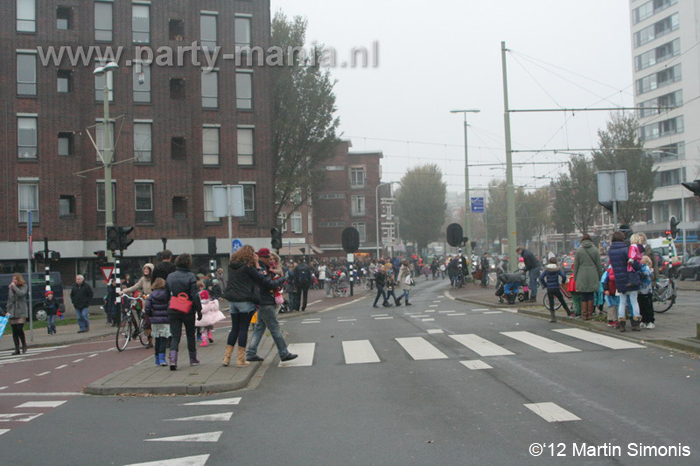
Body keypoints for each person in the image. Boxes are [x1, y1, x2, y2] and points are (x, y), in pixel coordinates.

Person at [246, 248, 298, 363]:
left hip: (263, 301)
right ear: (260, 257)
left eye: (269, 257)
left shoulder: (262, 267)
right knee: (275, 329)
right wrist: (282, 279)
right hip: (265, 301)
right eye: (266, 257)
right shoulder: (259, 268)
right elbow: (268, 283)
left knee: (259, 328)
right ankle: (284, 353)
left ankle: (251, 352)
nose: (268, 259)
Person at [223, 245, 263, 366]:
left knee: (234, 328)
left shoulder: (232, 266)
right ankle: (240, 359)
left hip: (232, 300)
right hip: (244, 300)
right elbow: (260, 279)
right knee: (243, 328)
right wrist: (257, 264)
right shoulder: (248, 267)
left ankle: (226, 358)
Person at [165, 253, 202, 370]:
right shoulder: (191, 276)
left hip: (174, 308)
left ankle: (173, 360)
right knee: (190, 334)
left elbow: (166, 294)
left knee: (175, 336)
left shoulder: (170, 276)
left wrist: (168, 306)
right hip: (188, 309)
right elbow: (194, 295)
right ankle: (193, 358)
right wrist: (199, 310)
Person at [608, 231, 641, 332]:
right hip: (630, 278)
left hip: (619, 279)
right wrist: (637, 265)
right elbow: (633, 264)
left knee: (622, 302)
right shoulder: (626, 249)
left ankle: (621, 324)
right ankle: (635, 323)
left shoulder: (610, 250)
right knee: (634, 301)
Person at [121, 263, 155, 345]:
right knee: (146, 322)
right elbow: (134, 287)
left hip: (154, 303)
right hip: (145, 303)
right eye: (144, 269)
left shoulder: (155, 279)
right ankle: (149, 341)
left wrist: (153, 295)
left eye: (148, 269)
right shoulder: (142, 279)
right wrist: (123, 291)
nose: (146, 270)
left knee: (155, 321)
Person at [573, 234, 603, 321]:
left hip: (581, 274)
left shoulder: (579, 251)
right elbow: (599, 265)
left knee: (583, 295)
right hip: (593, 274)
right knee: (590, 295)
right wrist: (600, 276)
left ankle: (584, 314)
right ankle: (590, 314)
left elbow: (576, 266)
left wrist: (575, 277)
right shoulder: (595, 250)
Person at [144, 278, 171, 367]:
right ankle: (162, 358)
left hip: (155, 320)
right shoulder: (166, 294)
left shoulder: (151, 295)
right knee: (163, 339)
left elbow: (147, 308)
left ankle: (157, 359)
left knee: (157, 339)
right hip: (165, 319)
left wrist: (151, 314)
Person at [539, 257, 571, 322]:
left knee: (551, 302)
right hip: (556, 287)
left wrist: (545, 285)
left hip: (549, 288)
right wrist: (563, 282)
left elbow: (541, 277)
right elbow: (564, 276)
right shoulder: (557, 269)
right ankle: (568, 311)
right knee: (561, 300)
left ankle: (553, 317)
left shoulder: (546, 269)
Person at [5, 273, 28, 354]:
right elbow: (10, 299)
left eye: (15, 279)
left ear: (18, 279)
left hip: (21, 310)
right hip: (12, 311)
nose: (13, 281)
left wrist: (14, 287)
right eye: (12, 279)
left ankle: (24, 344)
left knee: (19, 328)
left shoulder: (24, 286)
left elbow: (21, 294)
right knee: (14, 330)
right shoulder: (10, 288)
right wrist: (7, 310)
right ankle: (17, 348)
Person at [638, 255, 655, 330]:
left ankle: (650, 321)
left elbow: (646, 274)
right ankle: (643, 320)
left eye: (642, 259)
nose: (640, 260)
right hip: (640, 290)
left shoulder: (646, 267)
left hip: (647, 290)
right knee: (641, 306)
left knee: (648, 306)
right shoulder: (640, 267)